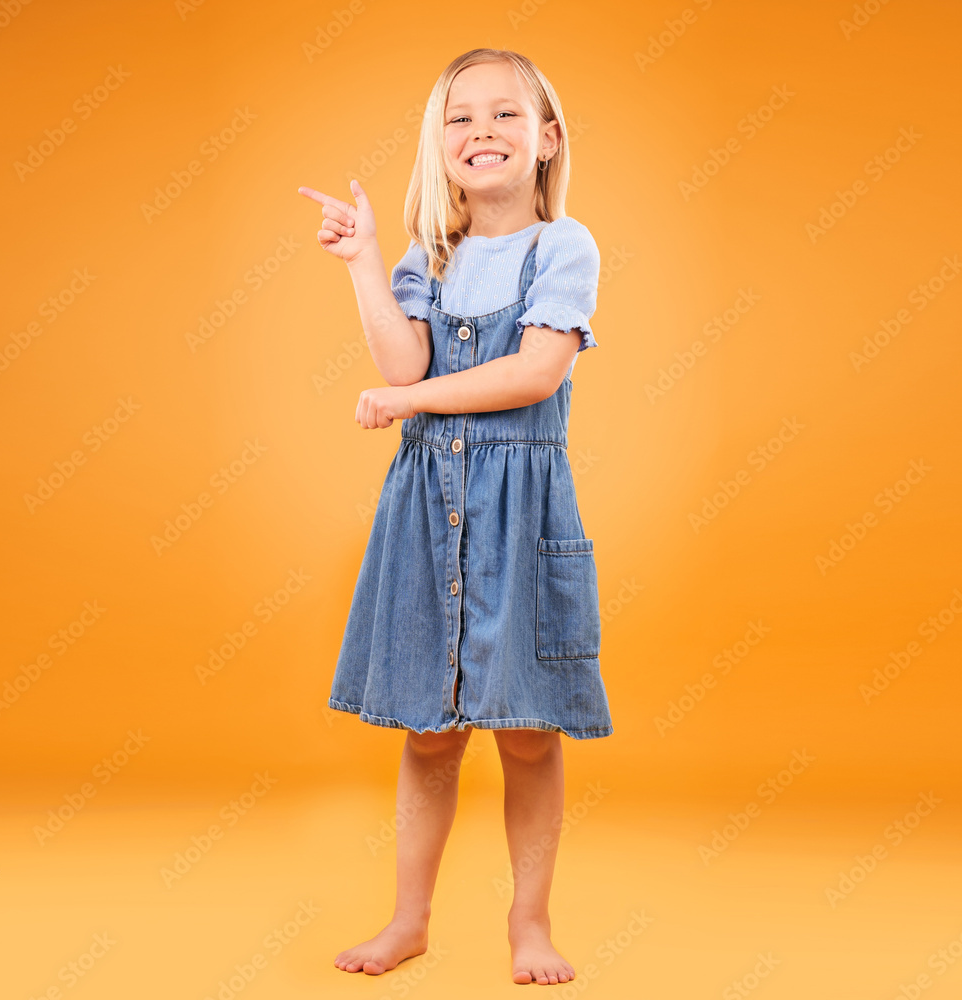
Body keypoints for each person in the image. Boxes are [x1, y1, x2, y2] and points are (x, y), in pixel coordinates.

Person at [299, 46, 613, 987]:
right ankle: (409, 920)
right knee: (429, 733)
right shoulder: (428, 255)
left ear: (547, 139)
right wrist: (361, 263)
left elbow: (533, 373)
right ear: (440, 147)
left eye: (507, 114)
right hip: (426, 512)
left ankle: (529, 923)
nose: (483, 131)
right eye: (461, 117)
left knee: (527, 726)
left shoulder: (566, 247)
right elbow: (403, 363)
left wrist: (412, 405)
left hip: (520, 512)